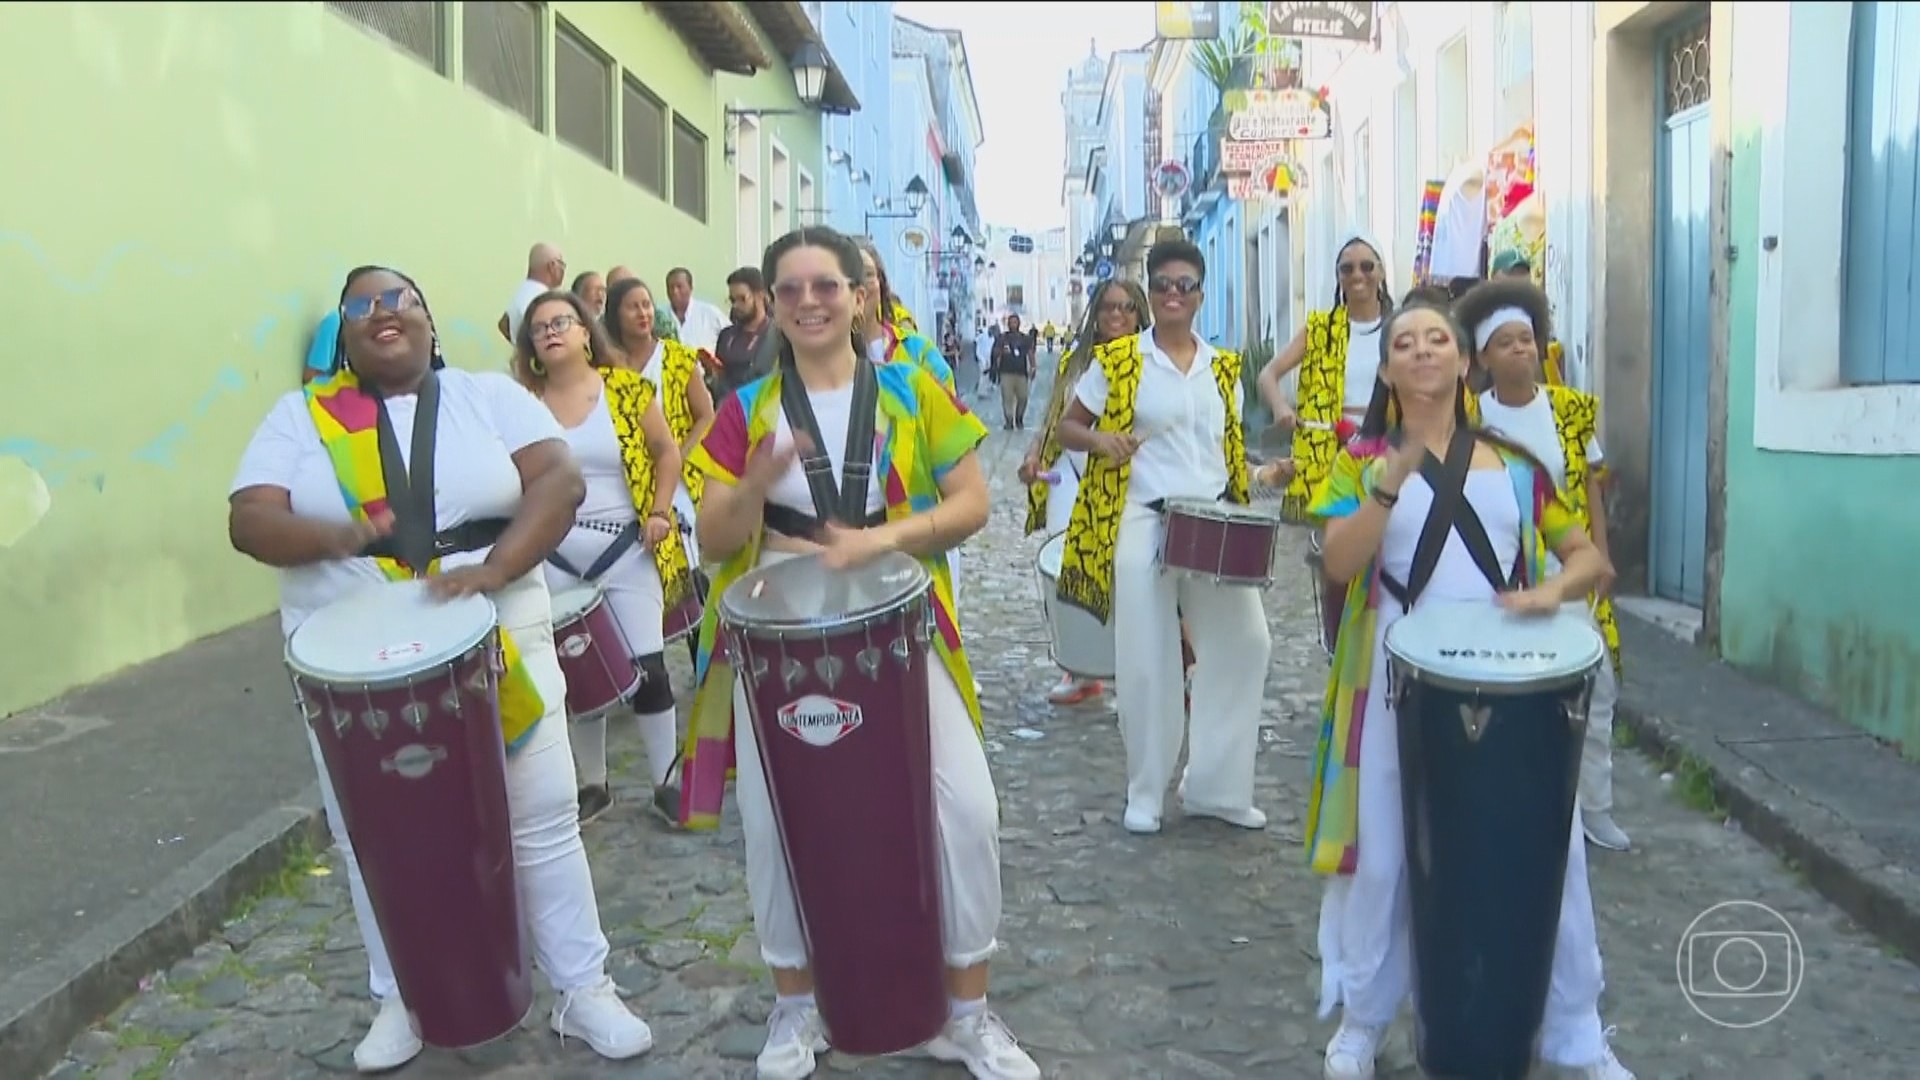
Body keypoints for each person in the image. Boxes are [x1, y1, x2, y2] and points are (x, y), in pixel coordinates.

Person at [228, 266, 655, 1072]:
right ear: (343, 337)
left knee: (541, 813)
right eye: (363, 306)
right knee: (372, 836)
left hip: (498, 634)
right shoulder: (304, 416)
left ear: (429, 320)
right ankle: (403, 996)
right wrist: (339, 537)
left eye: (402, 300)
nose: (384, 313)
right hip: (353, 657)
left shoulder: (485, 398)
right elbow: (250, 518)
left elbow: (557, 482)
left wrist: (495, 571)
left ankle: (584, 988)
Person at [681, 227, 1038, 1080]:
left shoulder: (915, 391)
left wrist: (884, 542)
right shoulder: (744, 409)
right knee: (775, 823)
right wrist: (757, 483)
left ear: (857, 294)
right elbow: (714, 534)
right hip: (777, 631)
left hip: (901, 617)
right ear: (773, 302)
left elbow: (973, 502)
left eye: (826, 285)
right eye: (792, 288)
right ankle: (797, 1009)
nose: (810, 301)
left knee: (965, 811)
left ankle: (967, 1014)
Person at [1305, 301, 1632, 1080]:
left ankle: (1577, 1032)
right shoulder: (1361, 457)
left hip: (1507, 674)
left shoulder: (1517, 464)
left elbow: (1587, 558)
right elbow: (1339, 564)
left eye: (1437, 340)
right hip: (1394, 671)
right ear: (1386, 370)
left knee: (1544, 851)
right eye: (1404, 343)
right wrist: (1388, 482)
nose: (1422, 352)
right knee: (1383, 846)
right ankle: (1364, 1019)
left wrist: (1552, 594)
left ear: (1462, 362)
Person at [1054, 238, 1272, 836]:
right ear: (1151, 293)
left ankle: (1215, 786)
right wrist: (1102, 441)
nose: (1174, 294)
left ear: (1200, 294)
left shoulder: (1224, 369)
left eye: (1186, 285)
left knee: (1246, 644)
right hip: (1143, 517)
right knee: (1148, 661)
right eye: (1164, 285)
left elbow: (1221, 449)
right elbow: (1070, 427)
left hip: (1212, 519)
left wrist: (1259, 475)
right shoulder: (1121, 361)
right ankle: (1145, 790)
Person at [1455, 280, 1629, 850]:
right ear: (1482, 358)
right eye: (1504, 343)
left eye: (1526, 340)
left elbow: (1591, 485)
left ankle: (1594, 806)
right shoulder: (1469, 416)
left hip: (1568, 568)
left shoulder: (1571, 411)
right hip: (1499, 572)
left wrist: (1599, 555)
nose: (1519, 352)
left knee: (1594, 685)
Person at [513, 289, 693, 826]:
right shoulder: (523, 404)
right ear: (531, 346)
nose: (550, 331)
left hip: (626, 546)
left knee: (650, 666)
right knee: (575, 671)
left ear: (587, 331)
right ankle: (593, 784)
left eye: (561, 321)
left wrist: (660, 511)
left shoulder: (628, 390)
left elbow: (667, 452)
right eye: (539, 327)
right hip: (555, 554)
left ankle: (667, 781)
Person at [1018, 278, 1148, 705]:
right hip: (1068, 473)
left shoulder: (1149, 362)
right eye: (1109, 307)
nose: (1116, 315)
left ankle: (1139, 664)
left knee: (1126, 570)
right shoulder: (1073, 364)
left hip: (1123, 478)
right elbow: (1055, 417)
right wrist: (1035, 456)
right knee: (1065, 566)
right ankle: (1078, 667)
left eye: (1127, 308)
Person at [603, 276, 717, 668]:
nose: (643, 313)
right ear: (615, 315)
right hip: (627, 481)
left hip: (677, 481)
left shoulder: (679, 359)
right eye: (632, 306)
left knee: (684, 568)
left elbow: (706, 416)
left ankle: (701, 655)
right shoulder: (606, 368)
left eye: (647, 304)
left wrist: (680, 454)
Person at [1258, 234, 1395, 520]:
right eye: (1347, 269)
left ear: (1381, 271)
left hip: (1387, 448)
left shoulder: (1400, 327)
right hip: (1327, 453)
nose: (1358, 275)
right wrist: (1281, 407)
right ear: (1338, 276)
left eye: (1367, 266)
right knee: (1333, 552)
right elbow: (1268, 375)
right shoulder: (1319, 329)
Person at [1488, 248, 1568, 385]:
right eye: (1511, 275)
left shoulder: (1536, 321)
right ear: (1494, 279)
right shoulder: (1482, 322)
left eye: (1522, 275)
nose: (1517, 283)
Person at [716, 266, 773, 395]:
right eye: (732, 300)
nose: (736, 305)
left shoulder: (776, 336)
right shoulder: (726, 336)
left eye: (742, 299)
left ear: (760, 295)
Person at [500, 242, 566, 343]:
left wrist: (520, 348)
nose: (563, 270)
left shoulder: (522, 292)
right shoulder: (542, 298)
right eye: (562, 265)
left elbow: (503, 325)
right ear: (552, 266)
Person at [664, 266, 728, 354]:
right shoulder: (660, 317)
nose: (675, 291)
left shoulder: (710, 313)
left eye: (679, 286)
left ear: (690, 287)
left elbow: (731, 338)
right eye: (670, 287)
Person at [990, 314, 1036, 431]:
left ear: (1019, 323)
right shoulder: (1002, 338)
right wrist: (999, 357)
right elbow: (995, 354)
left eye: (1015, 322)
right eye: (1011, 322)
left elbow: (1030, 353)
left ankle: (1019, 418)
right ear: (1008, 324)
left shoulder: (1025, 339)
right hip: (1006, 373)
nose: (1013, 324)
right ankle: (1009, 421)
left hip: (1021, 373)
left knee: (1023, 398)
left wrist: (1033, 367)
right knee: (1007, 398)